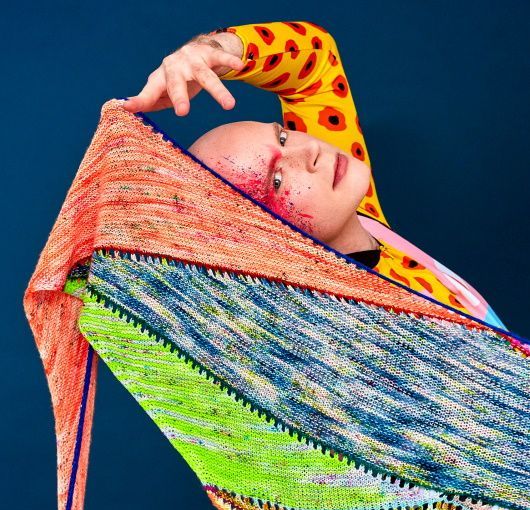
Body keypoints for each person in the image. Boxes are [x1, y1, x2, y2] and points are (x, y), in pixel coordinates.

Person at [122, 20, 506, 327]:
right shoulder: (356, 334)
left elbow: (315, 63)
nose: (311, 151)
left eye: (283, 136)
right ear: (264, 244)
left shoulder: (358, 214)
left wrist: (216, 50)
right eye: (276, 181)